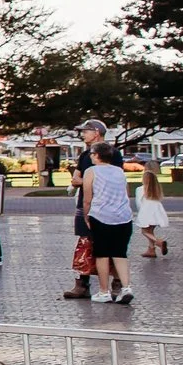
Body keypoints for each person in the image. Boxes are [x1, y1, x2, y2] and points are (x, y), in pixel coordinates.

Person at [64, 119, 112, 300]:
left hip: (105, 207)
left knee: (109, 246)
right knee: (84, 244)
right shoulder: (85, 156)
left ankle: (114, 284)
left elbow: (112, 179)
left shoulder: (111, 155)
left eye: (86, 131)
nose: (82, 134)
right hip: (84, 205)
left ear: (97, 133)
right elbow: (74, 179)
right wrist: (87, 181)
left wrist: (86, 180)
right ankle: (82, 284)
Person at [82, 143, 135, 305]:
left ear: (97, 155)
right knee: (120, 253)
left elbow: (87, 198)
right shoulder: (119, 171)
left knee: (102, 254)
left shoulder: (91, 171)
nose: (90, 156)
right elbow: (126, 193)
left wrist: (86, 216)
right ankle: (126, 287)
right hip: (124, 217)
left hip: (101, 216)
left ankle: (104, 291)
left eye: (92, 153)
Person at [138, 165, 170, 259]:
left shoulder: (140, 189)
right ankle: (151, 250)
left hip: (146, 211)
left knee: (144, 231)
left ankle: (158, 242)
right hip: (157, 211)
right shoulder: (156, 190)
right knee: (150, 230)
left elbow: (139, 203)